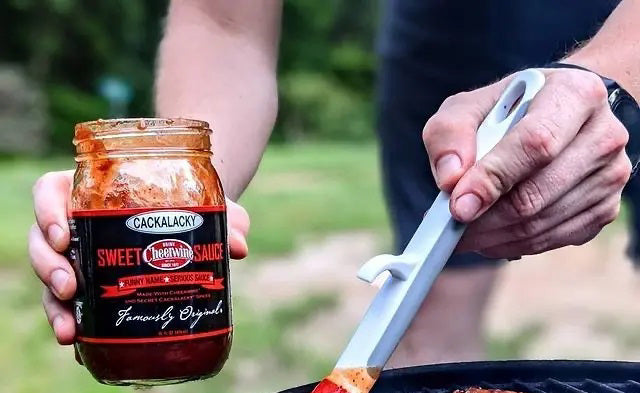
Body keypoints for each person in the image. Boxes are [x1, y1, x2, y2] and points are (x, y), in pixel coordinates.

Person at [29, 0, 637, 368]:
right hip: (453, 28)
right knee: (430, 311)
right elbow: (224, 26)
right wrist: (165, 187)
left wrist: (612, 76)